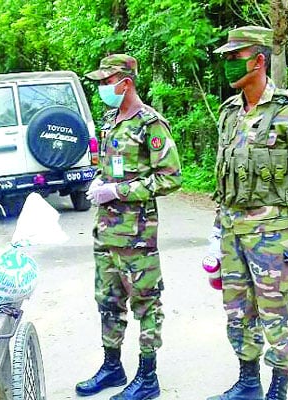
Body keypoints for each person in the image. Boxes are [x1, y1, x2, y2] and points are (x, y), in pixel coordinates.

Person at [206, 26, 288, 400]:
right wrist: (215, 234)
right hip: (232, 232)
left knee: (276, 315)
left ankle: (278, 390)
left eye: (235, 57)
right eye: (226, 57)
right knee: (237, 311)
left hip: (272, 235)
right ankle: (247, 383)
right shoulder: (229, 112)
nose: (228, 64)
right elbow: (224, 178)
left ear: (259, 60)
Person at [77, 54, 182, 400]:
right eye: (102, 83)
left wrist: (118, 191)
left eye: (107, 83)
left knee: (146, 304)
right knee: (107, 301)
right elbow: (111, 168)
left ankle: (148, 377)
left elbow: (170, 179)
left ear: (126, 82)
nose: (104, 89)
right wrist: (98, 182)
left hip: (136, 236)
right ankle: (112, 366)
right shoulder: (110, 121)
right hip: (105, 232)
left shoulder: (150, 124)